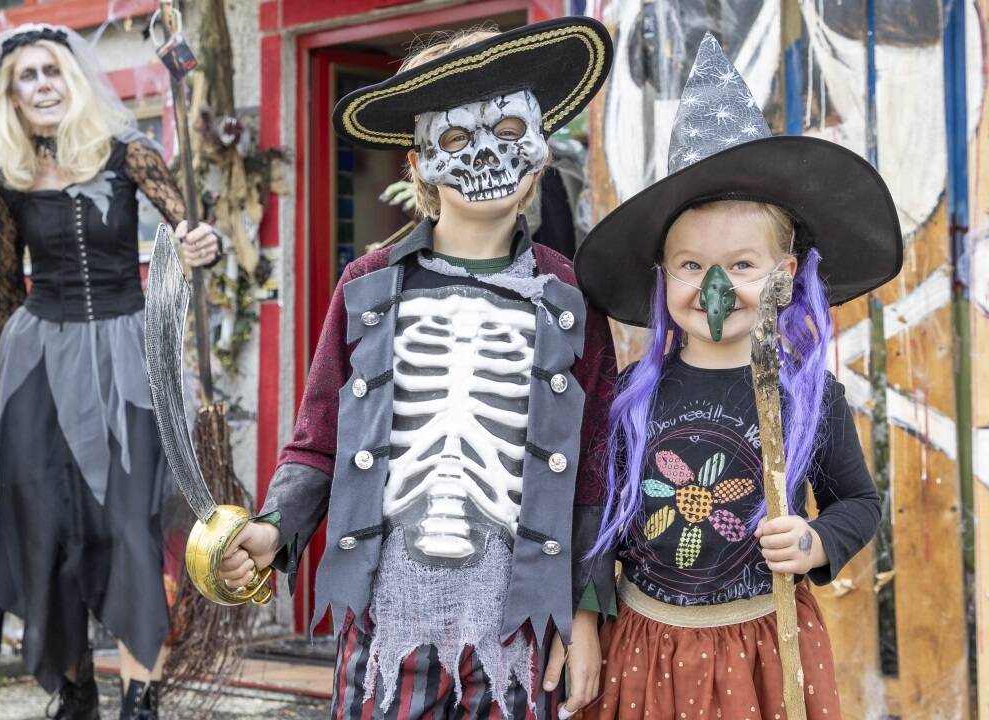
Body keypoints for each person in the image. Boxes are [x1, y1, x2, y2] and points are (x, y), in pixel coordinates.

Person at [219, 20, 620, 719]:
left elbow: (594, 469)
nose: (487, 152)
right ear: (418, 164)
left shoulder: (571, 298)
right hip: (386, 615)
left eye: (507, 127)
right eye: (459, 138)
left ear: (539, 151)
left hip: (520, 620)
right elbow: (319, 438)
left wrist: (585, 614)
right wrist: (273, 528)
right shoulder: (368, 286)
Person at [571, 34, 894, 719]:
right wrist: (585, 626)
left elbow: (859, 504)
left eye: (741, 266)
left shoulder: (807, 395)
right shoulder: (632, 395)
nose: (714, 286)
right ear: (663, 277)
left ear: (784, 276)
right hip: (646, 641)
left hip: (764, 642)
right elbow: (594, 515)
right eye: (691, 266)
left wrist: (813, 542)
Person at [0, 24, 220, 720]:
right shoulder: (8, 183)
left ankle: (140, 694)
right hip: (40, 365)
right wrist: (5, 395)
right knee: (47, 525)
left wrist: (197, 244)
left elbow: (186, 235)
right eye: (28, 76)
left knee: (127, 525)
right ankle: (75, 685)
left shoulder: (131, 157)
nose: (43, 85)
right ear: (13, 96)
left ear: (74, 79)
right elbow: (6, 291)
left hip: (125, 355)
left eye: (52, 71)